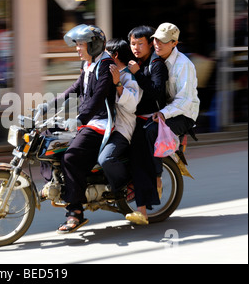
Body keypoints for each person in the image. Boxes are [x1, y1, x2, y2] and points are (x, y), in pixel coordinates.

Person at [36, 24, 116, 234]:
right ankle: (54, 184)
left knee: (70, 157)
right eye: (77, 44)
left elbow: (98, 99)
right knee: (45, 136)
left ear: (94, 45)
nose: (77, 49)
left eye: (81, 44)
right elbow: (76, 88)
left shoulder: (106, 65)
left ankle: (76, 212)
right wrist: (49, 105)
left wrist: (80, 119)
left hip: (100, 123)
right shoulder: (88, 64)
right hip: (86, 120)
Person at [148, 22, 200, 194]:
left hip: (184, 114)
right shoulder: (155, 59)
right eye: (155, 40)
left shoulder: (184, 64)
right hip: (167, 110)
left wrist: (163, 113)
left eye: (163, 41)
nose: (157, 44)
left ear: (174, 43)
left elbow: (184, 100)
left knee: (151, 131)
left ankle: (156, 179)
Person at [125, 26, 169, 225]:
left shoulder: (156, 64)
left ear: (150, 43)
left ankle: (141, 210)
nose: (136, 47)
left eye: (140, 43)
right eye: (133, 43)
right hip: (135, 118)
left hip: (150, 119)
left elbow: (156, 92)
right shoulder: (137, 63)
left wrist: (138, 74)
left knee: (139, 161)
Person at [98, 39, 142, 196]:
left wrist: (118, 84)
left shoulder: (128, 77)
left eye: (106, 54)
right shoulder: (105, 74)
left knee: (106, 159)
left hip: (121, 129)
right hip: (103, 126)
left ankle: (127, 185)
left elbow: (132, 105)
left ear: (115, 55)